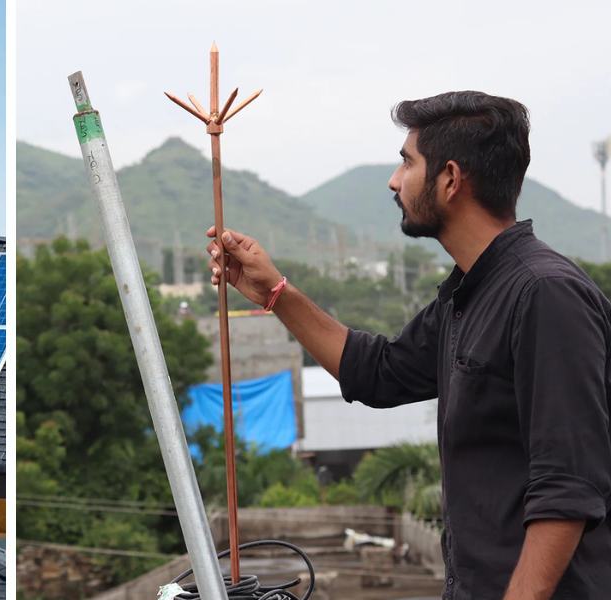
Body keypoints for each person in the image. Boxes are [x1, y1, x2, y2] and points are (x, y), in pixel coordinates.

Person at [204, 91, 610, 598]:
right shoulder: (470, 293)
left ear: (450, 179)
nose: (395, 181)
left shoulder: (544, 295)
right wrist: (275, 293)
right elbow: (378, 372)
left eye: (407, 162)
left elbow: (567, 491)